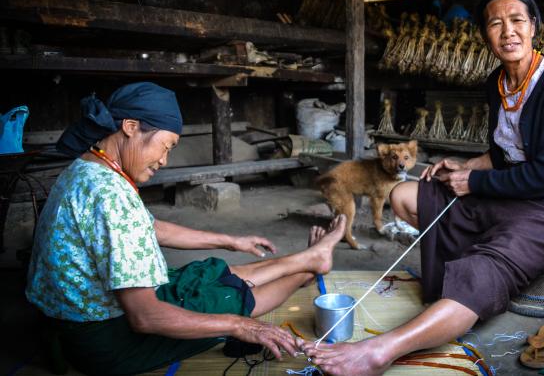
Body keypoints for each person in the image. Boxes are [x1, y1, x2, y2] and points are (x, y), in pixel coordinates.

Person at [299, 0, 544, 375]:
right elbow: (503, 152)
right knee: (408, 195)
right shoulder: (498, 84)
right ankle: (480, 271)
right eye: (495, 24)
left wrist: (473, 185)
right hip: (509, 197)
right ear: (484, 34)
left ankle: (381, 351)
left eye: (517, 21)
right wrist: (466, 166)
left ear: (534, 27)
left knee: (479, 274)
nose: (508, 31)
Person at [26, 82, 345, 375]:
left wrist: (231, 240)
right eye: (166, 146)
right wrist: (240, 326)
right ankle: (307, 271)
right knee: (226, 299)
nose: (164, 160)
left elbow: (150, 229)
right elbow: (145, 317)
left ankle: (309, 259)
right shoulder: (110, 196)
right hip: (104, 341)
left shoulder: (86, 169)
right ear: (131, 127)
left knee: (205, 273)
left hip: (73, 322)